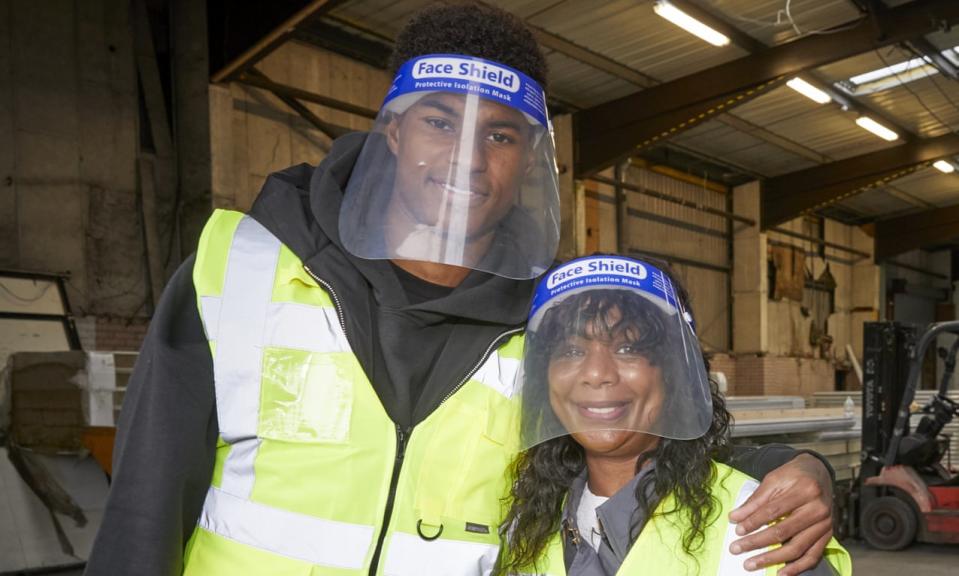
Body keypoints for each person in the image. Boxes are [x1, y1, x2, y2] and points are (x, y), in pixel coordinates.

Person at [86, 3, 837, 575]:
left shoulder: (552, 322)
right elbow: (147, 499)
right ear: (393, 132)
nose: (468, 160)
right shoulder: (244, 265)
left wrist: (799, 470)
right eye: (440, 123)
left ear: (530, 159)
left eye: (501, 135)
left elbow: (645, 440)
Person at [497, 255, 851, 576]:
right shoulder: (527, 521)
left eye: (628, 348)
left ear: (675, 373)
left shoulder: (759, 523)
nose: (597, 373)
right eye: (571, 350)